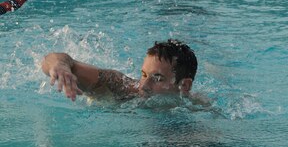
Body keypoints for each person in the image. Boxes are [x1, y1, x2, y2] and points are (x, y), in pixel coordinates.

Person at [41, 39, 197, 102]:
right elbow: (53, 59)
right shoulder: (121, 87)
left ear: (184, 85)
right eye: (143, 75)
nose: (143, 86)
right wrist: (60, 66)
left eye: (157, 78)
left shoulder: (197, 108)